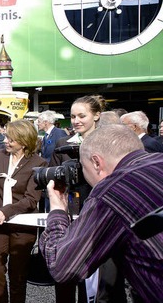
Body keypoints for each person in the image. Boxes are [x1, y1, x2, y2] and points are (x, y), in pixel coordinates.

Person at [40, 124, 163, 302]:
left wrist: (58, 210)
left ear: (97, 162)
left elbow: (63, 268)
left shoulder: (112, 191)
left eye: (83, 166)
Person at [50, 94, 125, 303]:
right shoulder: (63, 143)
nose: (76, 121)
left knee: (102, 284)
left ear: (97, 115)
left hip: (103, 217)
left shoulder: (110, 143)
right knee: (66, 279)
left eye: (81, 115)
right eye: (73, 116)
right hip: (72, 218)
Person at [0, 120, 47, 303]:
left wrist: (5, 211)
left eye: (11, 139)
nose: (6, 141)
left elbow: (31, 200)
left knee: (18, 276)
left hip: (23, 226)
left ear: (24, 142)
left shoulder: (39, 163)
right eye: (6, 136)